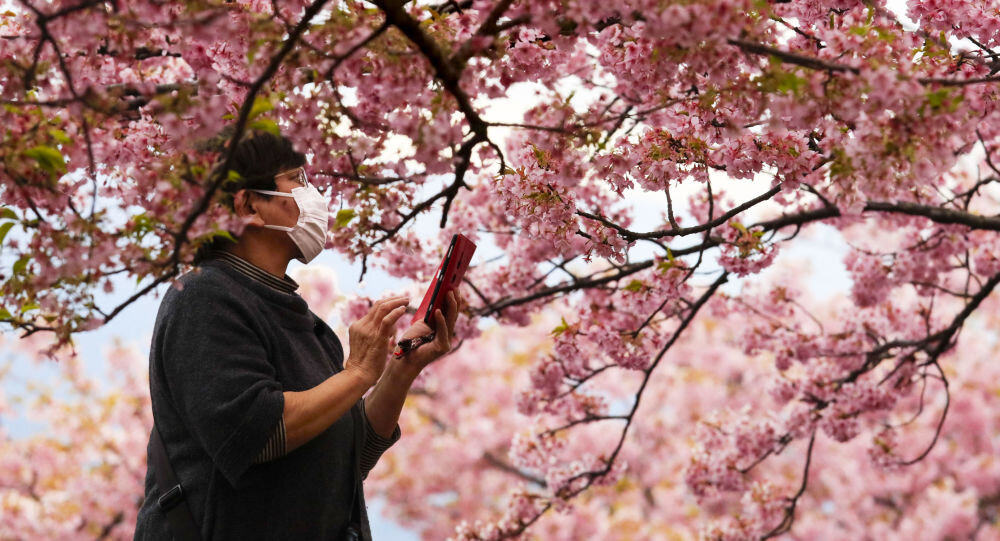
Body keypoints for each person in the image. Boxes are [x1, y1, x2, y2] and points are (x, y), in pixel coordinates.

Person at [133, 131, 460, 540]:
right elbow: (256, 436)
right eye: (296, 180)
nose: (313, 195)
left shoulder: (306, 324)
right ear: (249, 205)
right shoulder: (204, 297)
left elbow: (343, 461)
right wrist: (357, 372)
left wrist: (399, 369)